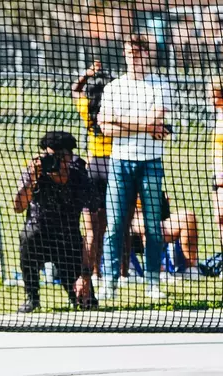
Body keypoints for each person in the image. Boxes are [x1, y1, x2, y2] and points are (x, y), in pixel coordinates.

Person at [97, 34, 173, 301]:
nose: (134, 54)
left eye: (139, 50)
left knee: (153, 225)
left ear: (148, 53)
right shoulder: (114, 87)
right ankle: (109, 282)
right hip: (120, 162)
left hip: (151, 162)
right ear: (124, 53)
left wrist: (121, 122)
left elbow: (157, 117)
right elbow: (105, 126)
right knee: (115, 224)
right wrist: (143, 126)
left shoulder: (160, 84)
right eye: (130, 50)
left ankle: (152, 283)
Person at [13, 131, 98, 313]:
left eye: (60, 157)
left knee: (87, 304)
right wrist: (33, 179)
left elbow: (91, 231)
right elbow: (18, 206)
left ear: (70, 158)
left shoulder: (79, 177)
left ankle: (78, 290)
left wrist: (85, 276)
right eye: (50, 156)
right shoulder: (36, 171)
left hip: (68, 242)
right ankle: (32, 297)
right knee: (27, 236)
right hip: (39, 236)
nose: (55, 162)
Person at [71, 60, 114, 286]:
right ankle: (122, 274)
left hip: (93, 166)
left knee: (91, 229)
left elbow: (74, 89)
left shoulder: (87, 107)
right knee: (114, 226)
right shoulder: (114, 108)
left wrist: (87, 74)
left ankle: (93, 273)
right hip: (114, 164)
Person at [130, 193, 200, 280]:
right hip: (131, 223)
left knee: (188, 218)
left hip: (158, 222)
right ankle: (159, 272)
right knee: (147, 223)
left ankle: (190, 269)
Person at [211, 77, 223, 253]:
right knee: (219, 219)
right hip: (217, 174)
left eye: (213, 95)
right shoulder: (218, 115)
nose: (211, 99)